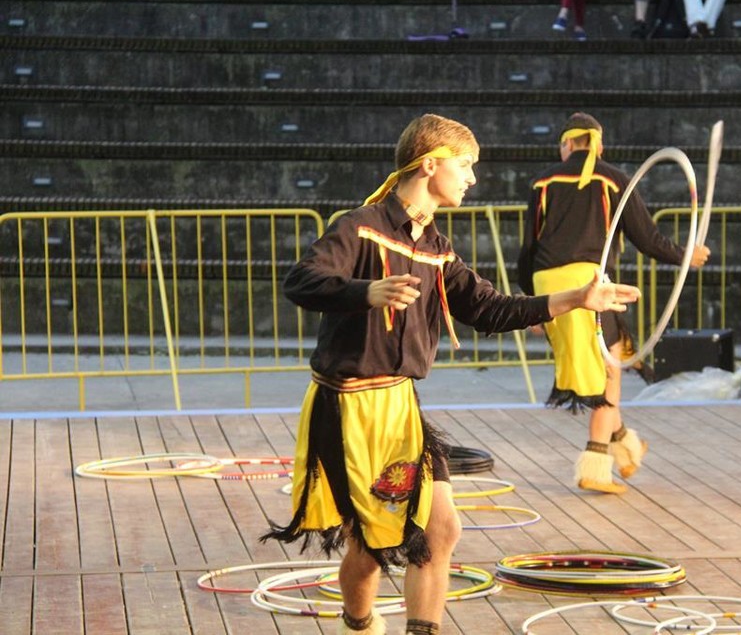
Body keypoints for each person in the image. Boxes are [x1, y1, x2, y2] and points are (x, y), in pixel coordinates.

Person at [261, 113, 641, 635]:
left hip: (401, 407)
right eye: (464, 165)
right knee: (371, 549)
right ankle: (359, 623)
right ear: (429, 164)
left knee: (440, 531)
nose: (472, 178)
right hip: (346, 411)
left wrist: (578, 298)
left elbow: (490, 308)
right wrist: (365, 292)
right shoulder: (360, 227)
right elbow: (302, 280)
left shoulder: (436, 249)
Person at [517, 112, 710, 495]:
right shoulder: (614, 178)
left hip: (548, 284)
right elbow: (647, 238)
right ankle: (595, 464)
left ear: (566, 144)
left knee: (604, 361)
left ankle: (625, 444)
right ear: (599, 144)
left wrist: (532, 304)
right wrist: (686, 255)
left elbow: (529, 248)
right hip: (589, 283)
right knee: (609, 369)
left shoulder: (544, 181)